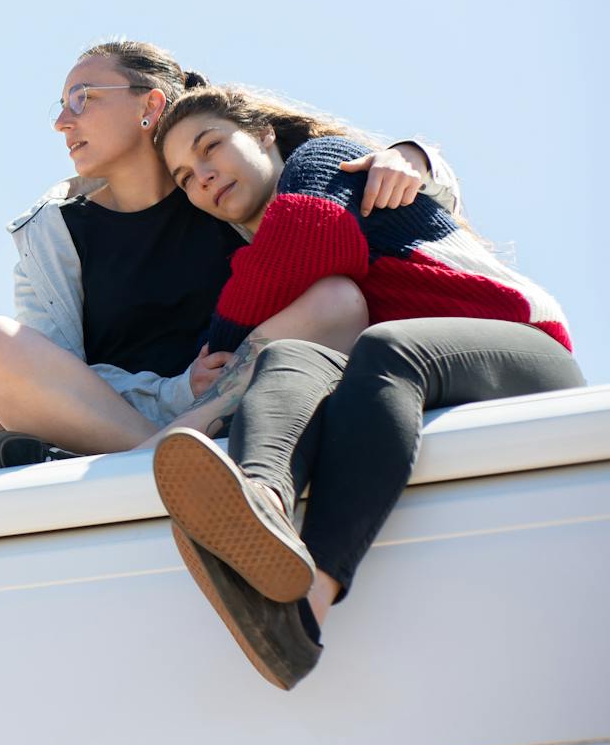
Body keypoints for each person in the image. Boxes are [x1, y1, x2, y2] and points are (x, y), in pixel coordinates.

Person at [149, 85, 582, 689]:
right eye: (185, 176)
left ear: (265, 133)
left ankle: (313, 593)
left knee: (386, 347)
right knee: (291, 359)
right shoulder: (256, 257)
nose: (203, 177)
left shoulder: (323, 164)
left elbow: (309, 236)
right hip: (409, 382)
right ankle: (263, 510)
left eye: (211, 147)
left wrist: (219, 345)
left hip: (518, 346)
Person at [0, 41, 456, 466]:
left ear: (148, 105)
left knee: (338, 300)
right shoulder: (51, 232)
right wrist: (176, 393)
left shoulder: (223, 184)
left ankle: (143, 467)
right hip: (117, 419)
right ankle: (162, 464)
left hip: (246, 399)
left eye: (81, 98)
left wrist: (411, 157)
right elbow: (57, 373)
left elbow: (358, 197)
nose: (62, 122)